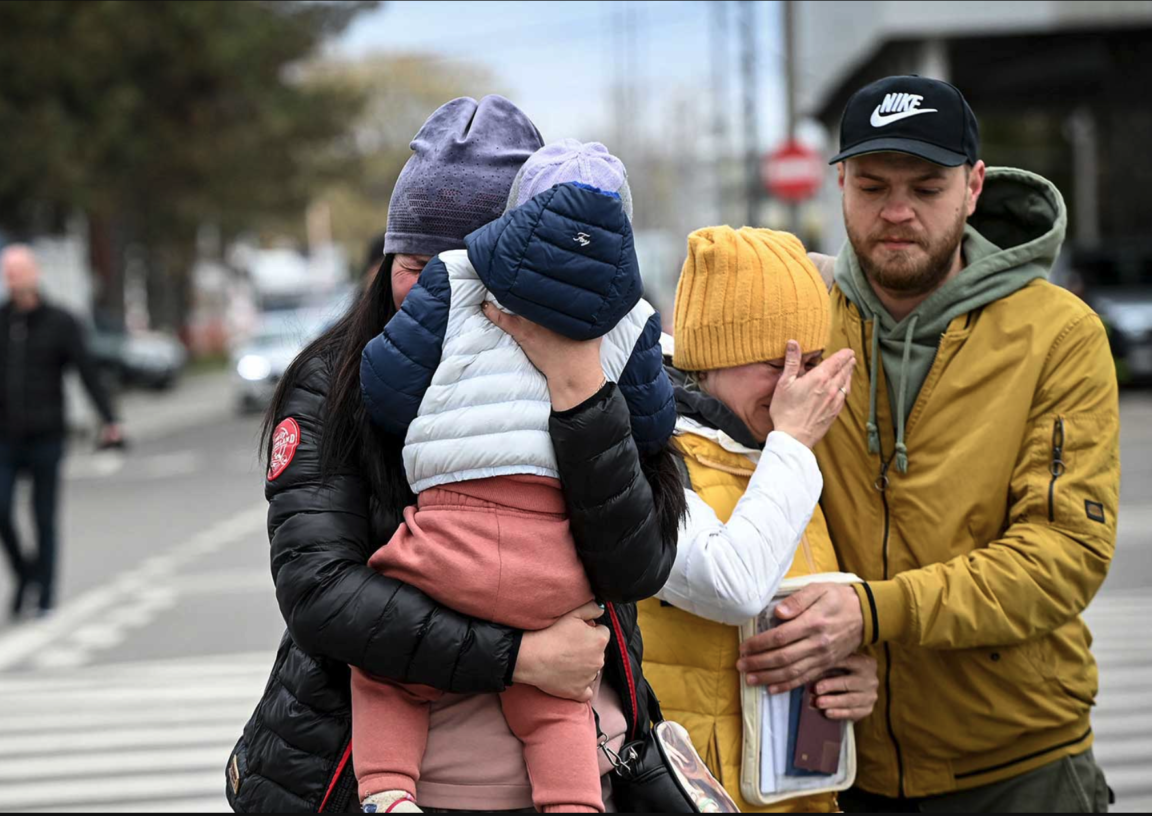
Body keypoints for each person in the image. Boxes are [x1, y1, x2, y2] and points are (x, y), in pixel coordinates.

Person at [227, 97, 685, 813]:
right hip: (372, 769)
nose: (443, 292)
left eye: (468, 266)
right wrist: (518, 658)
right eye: (418, 264)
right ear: (385, 262)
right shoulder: (334, 384)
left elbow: (639, 563)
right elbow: (321, 592)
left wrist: (579, 394)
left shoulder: (607, 357)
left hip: (573, 769)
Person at [738, 75, 1119, 812]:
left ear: (974, 186)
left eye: (928, 187)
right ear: (839, 181)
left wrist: (875, 616)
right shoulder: (798, 324)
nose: (898, 212)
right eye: (873, 186)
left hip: (1021, 768)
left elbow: (1065, 555)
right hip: (841, 766)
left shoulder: (1059, 335)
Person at [354, 140, 676, 814]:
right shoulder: (635, 317)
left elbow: (384, 389)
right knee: (559, 703)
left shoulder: (460, 280)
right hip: (554, 566)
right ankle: (576, 804)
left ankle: (386, 789)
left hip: (450, 540)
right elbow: (650, 431)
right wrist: (589, 389)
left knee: (385, 673)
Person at [640, 226, 875, 813]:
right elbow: (734, 586)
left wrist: (850, 679)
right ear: (714, 356)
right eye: (780, 363)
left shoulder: (779, 454)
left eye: (815, 363)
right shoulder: (649, 454)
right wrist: (793, 444)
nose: (800, 386)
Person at [0, 245, 123, 617]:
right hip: (2, 434)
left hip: (47, 433)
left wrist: (109, 419)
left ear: (35, 273)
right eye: (7, 272)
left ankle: (44, 592)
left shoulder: (61, 321)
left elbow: (87, 372)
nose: (13, 278)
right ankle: (24, 573)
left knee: (43, 516)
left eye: (19, 270)